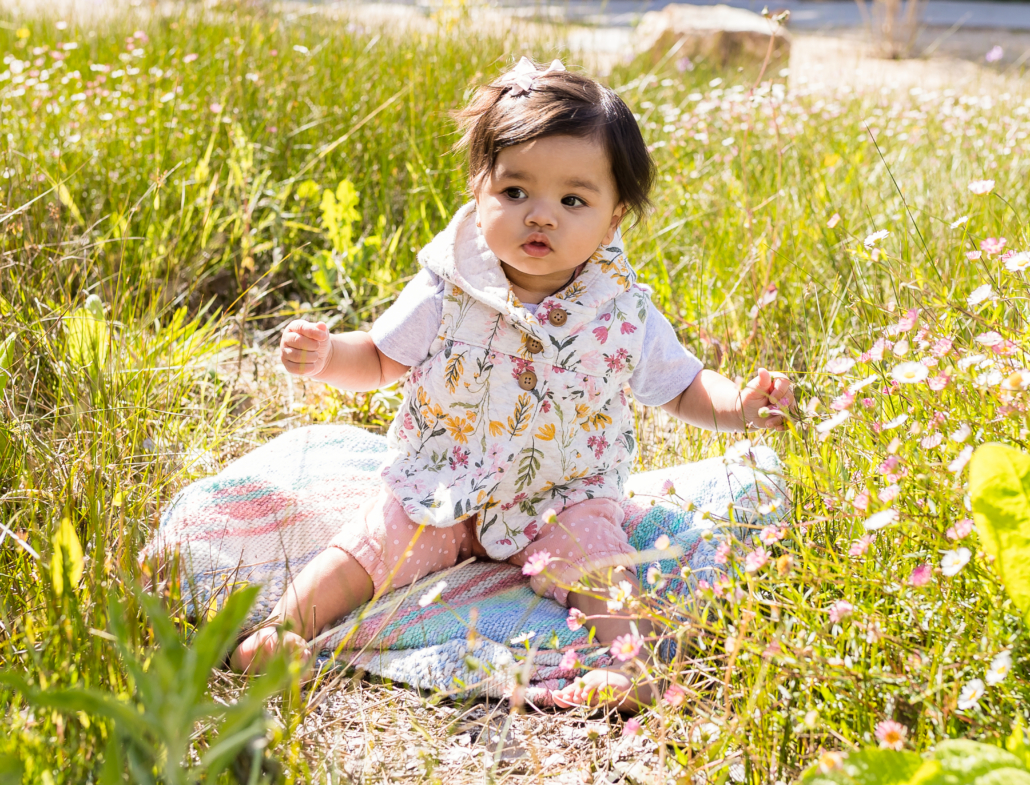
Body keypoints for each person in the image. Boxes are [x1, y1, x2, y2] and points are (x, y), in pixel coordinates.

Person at [231, 57, 795, 711]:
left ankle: (642, 670)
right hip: (438, 485)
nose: (541, 216)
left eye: (573, 200)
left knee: (601, 569)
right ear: (479, 191)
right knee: (366, 547)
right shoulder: (449, 286)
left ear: (612, 221)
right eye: (516, 192)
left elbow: (683, 385)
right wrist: (328, 355)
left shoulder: (620, 309)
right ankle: (280, 631)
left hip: (561, 496)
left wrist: (742, 406)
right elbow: (382, 358)